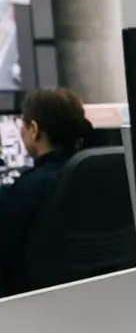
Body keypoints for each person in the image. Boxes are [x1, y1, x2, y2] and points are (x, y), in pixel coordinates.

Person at [0, 88, 93, 296]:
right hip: (94, 292)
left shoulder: (27, 188)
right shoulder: (94, 173)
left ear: (34, 129)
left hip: (29, 299)